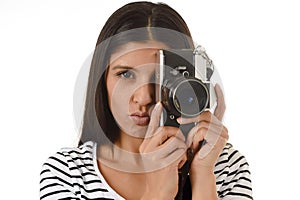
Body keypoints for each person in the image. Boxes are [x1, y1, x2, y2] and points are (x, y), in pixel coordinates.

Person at [40, 1, 252, 200]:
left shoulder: (224, 166)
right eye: (125, 74)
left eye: (159, 78)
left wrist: (203, 175)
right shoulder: (68, 172)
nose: (144, 98)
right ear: (102, 79)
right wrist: (157, 192)